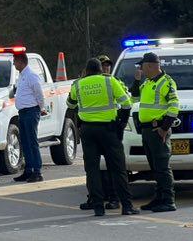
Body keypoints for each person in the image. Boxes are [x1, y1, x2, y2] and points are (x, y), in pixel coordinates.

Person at [67, 58, 138, 217]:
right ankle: (126, 206)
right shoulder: (110, 81)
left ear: (86, 70)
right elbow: (126, 104)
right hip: (108, 130)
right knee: (118, 169)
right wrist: (121, 124)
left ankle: (98, 207)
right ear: (100, 70)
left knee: (92, 170)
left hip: (87, 130)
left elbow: (70, 104)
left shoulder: (79, 84)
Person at [131, 51, 180, 212]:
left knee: (162, 167)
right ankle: (159, 198)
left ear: (150, 65)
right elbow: (135, 97)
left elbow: (174, 105)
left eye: (142, 66)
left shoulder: (166, 82)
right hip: (147, 131)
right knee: (155, 167)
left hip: (158, 129)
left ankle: (168, 200)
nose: (141, 69)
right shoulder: (147, 82)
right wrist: (136, 81)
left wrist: (164, 128)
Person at [79, 55, 121, 210]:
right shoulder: (106, 82)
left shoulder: (114, 81)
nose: (106, 68)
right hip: (101, 129)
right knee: (94, 169)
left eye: (108, 65)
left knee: (109, 167)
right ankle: (95, 199)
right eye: (103, 65)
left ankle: (112, 198)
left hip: (104, 128)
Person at [11, 51, 46, 183]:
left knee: (32, 142)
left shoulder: (31, 75)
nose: (14, 64)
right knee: (25, 142)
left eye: (15, 61)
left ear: (21, 61)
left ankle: (37, 171)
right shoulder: (21, 76)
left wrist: (41, 108)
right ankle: (28, 170)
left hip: (31, 111)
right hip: (23, 112)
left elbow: (39, 94)